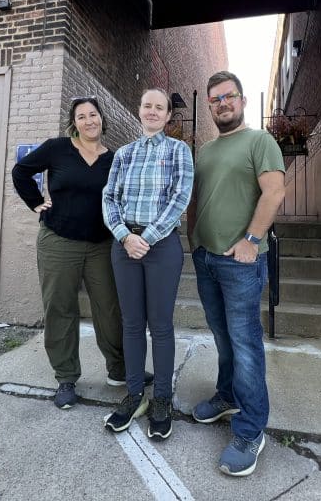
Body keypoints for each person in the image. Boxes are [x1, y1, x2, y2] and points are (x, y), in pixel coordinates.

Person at [12, 96, 151, 410]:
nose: (89, 121)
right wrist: (36, 202)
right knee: (60, 307)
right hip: (58, 242)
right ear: (74, 123)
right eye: (82, 116)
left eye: (93, 114)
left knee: (110, 308)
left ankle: (119, 369)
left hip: (101, 244)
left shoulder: (114, 159)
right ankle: (66, 378)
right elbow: (21, 171)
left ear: (102, 119)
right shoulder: (57, 148)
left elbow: (123, 198)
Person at [187, 71, 285, 476]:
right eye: (215, 99)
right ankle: (227, 396)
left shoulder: (260, 141)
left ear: (242, 101)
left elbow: (274, 192)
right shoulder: (205, 152)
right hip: (206, 258)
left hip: (241, 262)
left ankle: (250, 430)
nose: (222, 103)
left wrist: (251, 239)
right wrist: (193, 240)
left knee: (245, 344)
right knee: (222, 336)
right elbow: (196, 198)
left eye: (228, 96)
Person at [102, 88, 194, 439]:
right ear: (139, 111)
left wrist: (148, 237)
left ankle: (162, 399)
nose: (153, 111)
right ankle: (134, 393)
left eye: (160, 107)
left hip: (161, 246)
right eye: (147, 106)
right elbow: (110, 197)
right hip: (124, 245)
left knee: (161, 325)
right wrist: (125, 236)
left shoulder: (178, 150)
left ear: (168, 116)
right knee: (131, 323)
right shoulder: (124, 154)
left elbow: (180, 197)